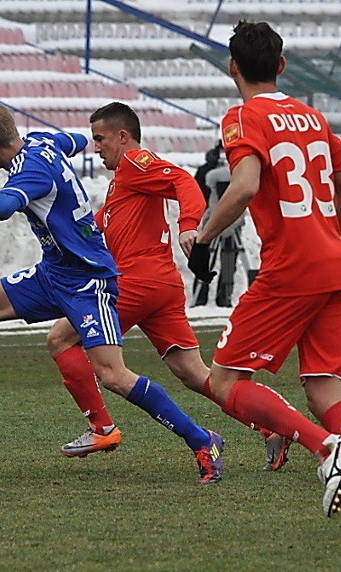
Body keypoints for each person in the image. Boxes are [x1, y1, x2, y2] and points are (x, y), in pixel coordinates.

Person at [0, 100, 224, 482]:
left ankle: (202, 439)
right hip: (53, 273)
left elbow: (2, 207)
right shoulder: (41, 142)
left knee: (114, 375)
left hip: (88, 281)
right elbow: (73, 141)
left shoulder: (30, 170)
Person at [192, 21, 341, 536]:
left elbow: (245, 186)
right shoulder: (314, 118)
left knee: (224, 381)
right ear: (282, 66)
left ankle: (324, 446)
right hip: (333, 266)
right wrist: (324, 237)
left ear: (232, 68)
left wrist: (203, 237)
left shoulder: (243, 116)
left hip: (290, 270)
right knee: (325, 392)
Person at [46, 101, 289, 475]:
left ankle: (101, 426)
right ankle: (271, 426)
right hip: (161, 286)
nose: (96, 147)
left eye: (100, 138)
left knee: (63, 338)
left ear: (122, 137)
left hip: (137, 282)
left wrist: (189, 224)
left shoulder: (134, 163)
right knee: (195, 374)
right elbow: (96, 231)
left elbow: (182, 180)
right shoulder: (121, 185)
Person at [194, 149, 244, 307]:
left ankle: (224, 296)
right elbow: (201, 186)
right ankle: (202, 296)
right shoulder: (210, 171)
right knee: (206, 257)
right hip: (214, 219)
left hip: (230, 220)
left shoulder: (238, 167)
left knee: (228, 259)